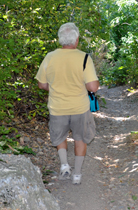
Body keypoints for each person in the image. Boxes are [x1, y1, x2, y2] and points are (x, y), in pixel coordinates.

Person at [35, 22, 99, 185]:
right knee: (80, 139)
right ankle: (77, 174)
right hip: (80, 108)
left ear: (60, 40)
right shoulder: (84, 58)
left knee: (59, 137)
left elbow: (42, 84)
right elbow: (92, 87)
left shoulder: (49, 57)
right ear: (77, 40)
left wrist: (57, 87)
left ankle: (64, 166)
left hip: (57, 107)